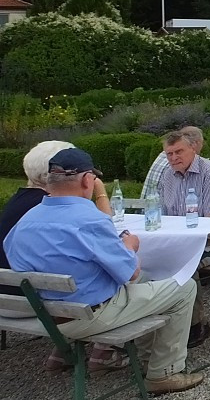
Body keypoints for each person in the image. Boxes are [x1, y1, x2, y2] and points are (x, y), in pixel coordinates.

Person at [4, 148, 203, 394]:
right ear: (88, 180)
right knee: (184, 287)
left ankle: (146, 356)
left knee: (146, 280)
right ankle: (163, 372)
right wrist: (129, 246)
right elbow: (130, 271)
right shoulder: (90, 219)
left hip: (44, 315)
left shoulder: (26, 219)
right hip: (88, 316)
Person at [0, 141, 125, 373]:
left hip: (8, 297)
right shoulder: (54, 206)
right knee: (109, 272)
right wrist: (99, 192)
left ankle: (62, 352)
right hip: (34, 305)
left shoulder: (20, 202)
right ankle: (104, 350)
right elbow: (109, 231)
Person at [159, 130, 210, 348]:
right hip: (178, 234)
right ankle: (166, 320)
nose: (173, 158)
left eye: (178, 152)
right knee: (149, 258)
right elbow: (164, 214)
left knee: (183, 261)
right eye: (169, 154)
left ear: (194, 148)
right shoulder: (167, 175)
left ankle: (195, 324)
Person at [141, 125, 205, 198]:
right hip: (157, 206)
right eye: (201, 143)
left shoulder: (164, 155)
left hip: (147, 203)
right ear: (195, 144)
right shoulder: (178, 163)